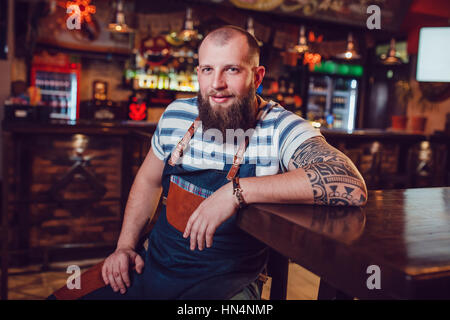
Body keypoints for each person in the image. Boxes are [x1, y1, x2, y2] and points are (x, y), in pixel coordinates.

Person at [48, 25, 367, 300]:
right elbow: (147, 182)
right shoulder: (176, 116)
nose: (217, 83)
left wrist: (235, 192)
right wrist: (124, 247)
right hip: (153, 268)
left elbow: (350, 185)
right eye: (207, 70)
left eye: (232, 69)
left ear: (257, 77)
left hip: (227, 285)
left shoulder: (279, 128)